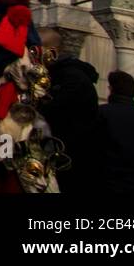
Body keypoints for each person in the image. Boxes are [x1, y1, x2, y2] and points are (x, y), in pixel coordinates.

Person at [36, 27, 101, 194]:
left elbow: (54, 111)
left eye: (36, 49)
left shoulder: (72, 78)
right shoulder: (57, 75)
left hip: (70, 160)